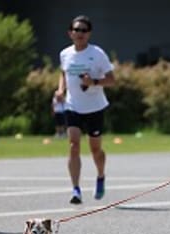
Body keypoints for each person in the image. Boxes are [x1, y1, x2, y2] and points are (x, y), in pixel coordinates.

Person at [55, 15, 115, 204]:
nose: (79, 33)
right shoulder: (65, 54)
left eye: (83, 30)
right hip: (73, 106)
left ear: (89, 34)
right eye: (76, 30)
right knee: (73, 145)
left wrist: (94, 82)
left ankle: (100, 176)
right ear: (70, 33)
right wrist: (60, 89)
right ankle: (76, 189)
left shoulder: (97, 54)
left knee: (95, 149)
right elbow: (63, 73)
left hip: (95, 107)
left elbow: (112, 79)